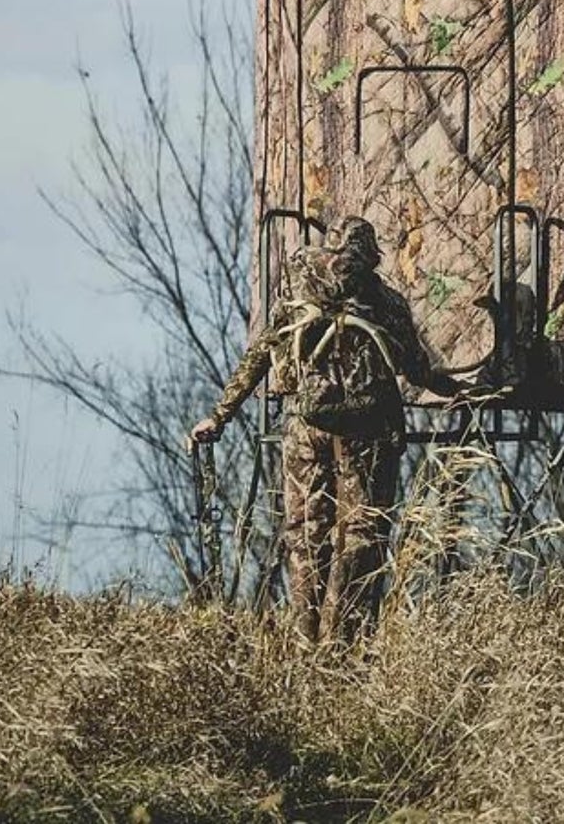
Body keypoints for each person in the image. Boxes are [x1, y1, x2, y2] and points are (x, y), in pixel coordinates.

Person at [190, 215, 467, 644]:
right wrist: (461, 392)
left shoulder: (297, 297)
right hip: (368, 431)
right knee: (361, 534)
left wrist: (219, 415)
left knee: (304, 534)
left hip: (305, 426)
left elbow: (259, 358)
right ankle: (342, 648)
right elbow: (416, 369)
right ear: (371, 257)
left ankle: (306, 643)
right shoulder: (386, 302)